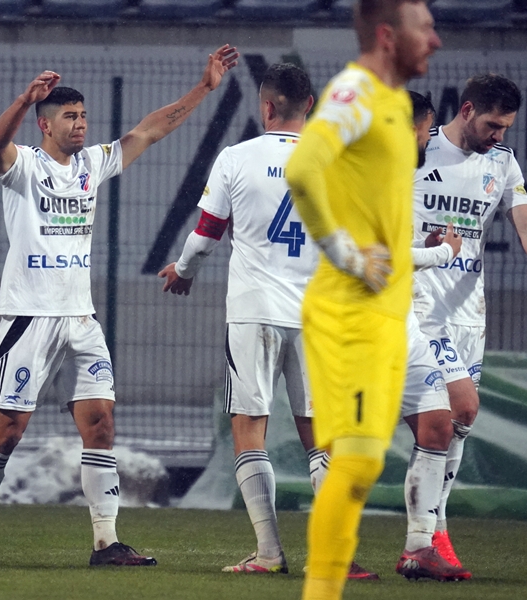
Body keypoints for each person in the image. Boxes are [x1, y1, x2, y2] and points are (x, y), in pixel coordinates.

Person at [0, 45, 239, 567]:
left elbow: (149, 131)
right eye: (69, 116)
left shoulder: (91, 164)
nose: (80, 123)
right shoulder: (24, 166)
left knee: (101, 423)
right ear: (45, 125)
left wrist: (204, 88)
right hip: (29, 318)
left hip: (81, 320)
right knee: (9, 430)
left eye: (83, 115)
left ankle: (106, 542)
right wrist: (23, 99)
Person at [157, 63, 377, 581]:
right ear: (312, 106)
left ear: (267, 106)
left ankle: (269, 553)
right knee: (320, 435)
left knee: (249, 428)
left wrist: (183, 271)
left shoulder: (237, 158)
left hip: (255, 311)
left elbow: (206, 234)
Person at [284, 0, 440, 597]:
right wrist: (345, 252)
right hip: (349, 310)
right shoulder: (355, 93)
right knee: (352, 464)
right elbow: (303, 168)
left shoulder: (397, 104)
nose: (436, 39)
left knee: (364, 464)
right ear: (387, 35)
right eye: (425, 28)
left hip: (387, 314)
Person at [405, 73, 527, 572]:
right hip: (419, 305)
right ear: (467, 110)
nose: (498, 135)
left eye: (506, 128)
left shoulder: (502, 161)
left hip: (469, 313)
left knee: (459, 424)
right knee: (460, 406)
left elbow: (526, 221)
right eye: (492, 125)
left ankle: (433, 531)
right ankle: (425, 539)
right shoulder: (419, 150)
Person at [396, 91, 471, 581]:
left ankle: (419, 547)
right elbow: (376, 256)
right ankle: (332, 548)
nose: (429, 140)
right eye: (426, 131)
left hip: (401, 323)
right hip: (359, 324)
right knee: (345, 444)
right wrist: (443, 253)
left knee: (440, 422)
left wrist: (420, 245)